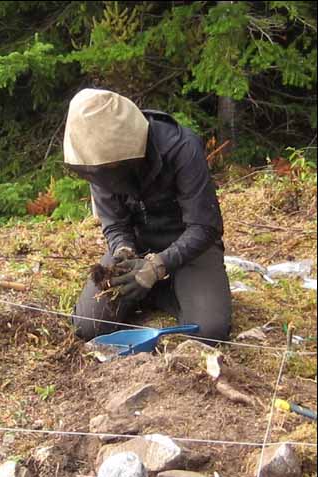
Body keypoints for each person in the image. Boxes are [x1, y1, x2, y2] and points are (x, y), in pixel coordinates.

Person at [63, 88, 232, 344]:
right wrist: (123, 252)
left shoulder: (182, 147)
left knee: (208, 331)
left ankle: (168, 288)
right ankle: (153, 290)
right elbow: (115, 224)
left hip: (190, 246)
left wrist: (156, 267)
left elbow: (205, 226)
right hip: (138, 246)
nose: (104, 176)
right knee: (89, 326)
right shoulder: (97, 161)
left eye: (110, 169)